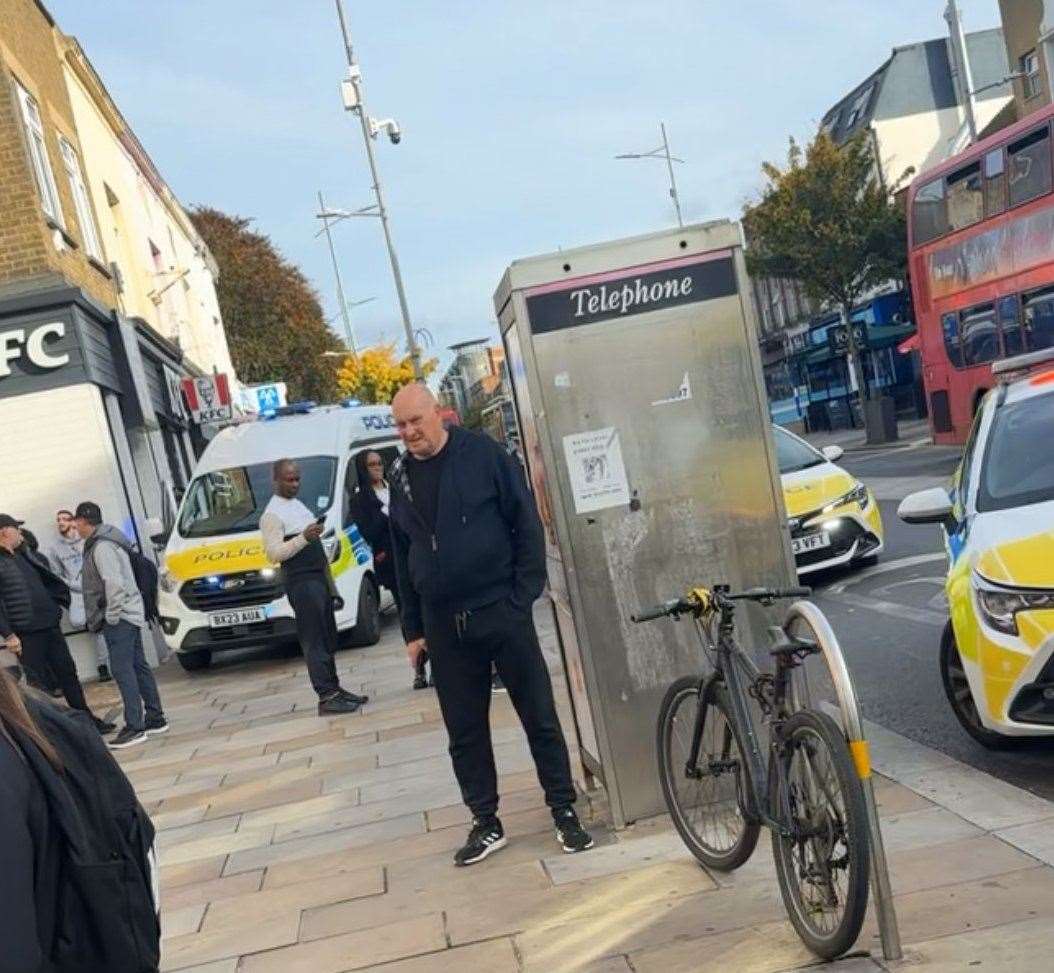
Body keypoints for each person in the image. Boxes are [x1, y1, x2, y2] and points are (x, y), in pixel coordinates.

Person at [389, 383, 594, 866]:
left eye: (416, 421)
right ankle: (486, 821)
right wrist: (413, 629)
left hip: (501, 610)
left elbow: (525, 521)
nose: (409, 432)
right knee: (464, 730)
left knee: (538, 715)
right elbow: (403, 553)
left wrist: (522, 595)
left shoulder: (484, 454)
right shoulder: (399, 475)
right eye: (400, 425)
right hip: (444, 624)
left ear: (438, 414)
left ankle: (564, 810)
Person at [261, 459, 369, 715]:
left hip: (317, 578)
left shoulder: (297, 505)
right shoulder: (272, 514)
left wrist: (331, 588)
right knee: (314, 639)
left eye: (297, 478)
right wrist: (303, 537)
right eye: (289, 479)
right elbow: (273, 553)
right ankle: (326, 695)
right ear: (275, 480)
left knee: (327, 634)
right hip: (301, 580)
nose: (295, 484)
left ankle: (335, 688)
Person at [0, 514, 114, 736]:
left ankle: (86, 720)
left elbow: (47, 580)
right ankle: (51, 729)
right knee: (37, 684)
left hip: (50, 626)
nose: (21, 533)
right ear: (4, 531)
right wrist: (9, 635)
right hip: (26, 633)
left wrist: (57, 604)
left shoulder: (26, 555)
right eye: (17, 529)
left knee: (68, 673)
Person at [73, 503, 167, 750]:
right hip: (130, 613)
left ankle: (135, 727)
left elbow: (113, 583)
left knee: (123, 671)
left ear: (84, 521)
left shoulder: (102, 546)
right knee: (138, 666)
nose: (76, 528)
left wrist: (112, 616)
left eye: (77, 523)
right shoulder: (111, 540)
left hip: (120, 618)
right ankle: (155, 718)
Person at [353, 450, 426, 689]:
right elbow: (370, 530)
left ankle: (437, 662)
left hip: (413, 553)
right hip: (391, 560)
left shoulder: (394, 485)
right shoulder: (361, 499)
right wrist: (389, 517)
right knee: (407, 610)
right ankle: (419, 668)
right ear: (363, 469)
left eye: (379, 463)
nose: (377, 467)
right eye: (371, 464)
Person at [45, 508, 111, 683]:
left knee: (99, 628)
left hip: (93, 589)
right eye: (58, 519)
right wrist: (68, 585)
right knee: (80, 622)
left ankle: (103, 664)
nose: (61, 522)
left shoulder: (86, 541)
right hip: (75, 592)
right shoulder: (55, 548)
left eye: (65, 519)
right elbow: (55, 573)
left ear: (74, 521)